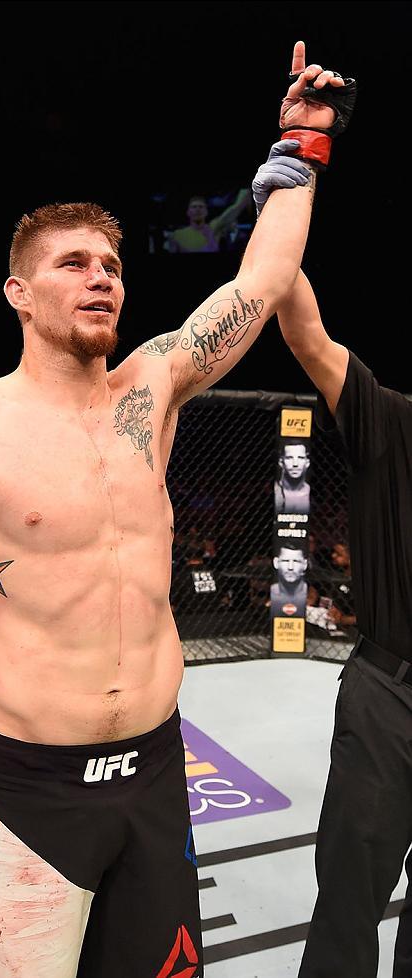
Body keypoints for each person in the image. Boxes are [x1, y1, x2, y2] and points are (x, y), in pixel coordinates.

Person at [0, 44, 350, 976]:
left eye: (112, 264)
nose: (102, 276)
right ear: (18, 294)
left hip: (158, 774)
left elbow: (260, 283)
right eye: (74, 263)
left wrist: (301, 148)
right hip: (27, 791)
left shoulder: (149, 391)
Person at [275, 269, 412, 977]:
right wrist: (283, 213)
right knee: (351, 895)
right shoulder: (392, 421)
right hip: (391, 693)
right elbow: (306, 335)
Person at [165, 189, 251, 253]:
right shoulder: (177, 235)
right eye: (194, 207)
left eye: (201, 207)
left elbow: (237, 207)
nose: (198, 210)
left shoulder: (214, 228)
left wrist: (246, 190)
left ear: (206, 211)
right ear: (188, 212)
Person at [270, 543, 308, 617]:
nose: (290, 567)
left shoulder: (309, 594)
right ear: (276, 562)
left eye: (296, 561)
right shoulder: (270, 593)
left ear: (305, 564)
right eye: (285, 561)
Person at [274, 439, 311, 513]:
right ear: (281, 462)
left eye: (300, 458)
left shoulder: (312, 493)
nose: (295, 464)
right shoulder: (274, 492)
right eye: (289, 458)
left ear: (307, 463)